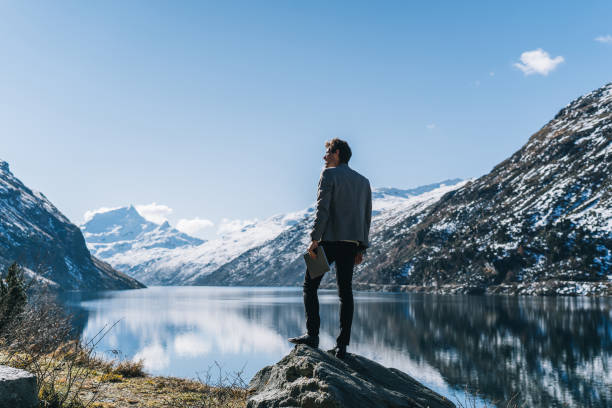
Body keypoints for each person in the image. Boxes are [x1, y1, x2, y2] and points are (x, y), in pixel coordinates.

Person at [288, 138, 372, 359]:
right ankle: (342, 347)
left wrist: (315, 239)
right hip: (351, 245)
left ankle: (312, 336)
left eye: (327, 153)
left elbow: (322, 209)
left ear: (337, 153)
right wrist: (361, 248)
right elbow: (366, 217)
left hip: (328, 242)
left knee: (309, 286)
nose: (324, 157)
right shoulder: (363, 182)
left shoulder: (329, 175)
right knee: (345, 292)